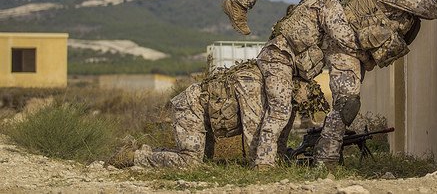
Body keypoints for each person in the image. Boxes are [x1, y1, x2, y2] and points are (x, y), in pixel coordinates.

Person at [312, 0, 437, 167]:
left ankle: (325, 152)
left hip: (352, 48)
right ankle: (324, 158)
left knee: (346, 103)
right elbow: (435, 9)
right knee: (347, 103)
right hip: (343, 47)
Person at [108, 60, 326, 168]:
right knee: (189, 163)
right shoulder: (254, 87)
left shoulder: (282, 102)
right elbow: (254, 140)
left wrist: (284, 156)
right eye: (296, 103)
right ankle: (135, 157)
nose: (293, 109)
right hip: (191, 108)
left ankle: (145, 149)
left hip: (210, 120)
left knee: (203, 161)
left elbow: (277, 140)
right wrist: (264, 167)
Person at [253, 0, 363, 169]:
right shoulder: (324, 9)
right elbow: (344, 38)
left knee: (289, 111)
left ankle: (279, 156)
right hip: (278, 58)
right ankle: (263, 162)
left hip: (290, 66)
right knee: (280, 110)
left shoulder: (320, 27)